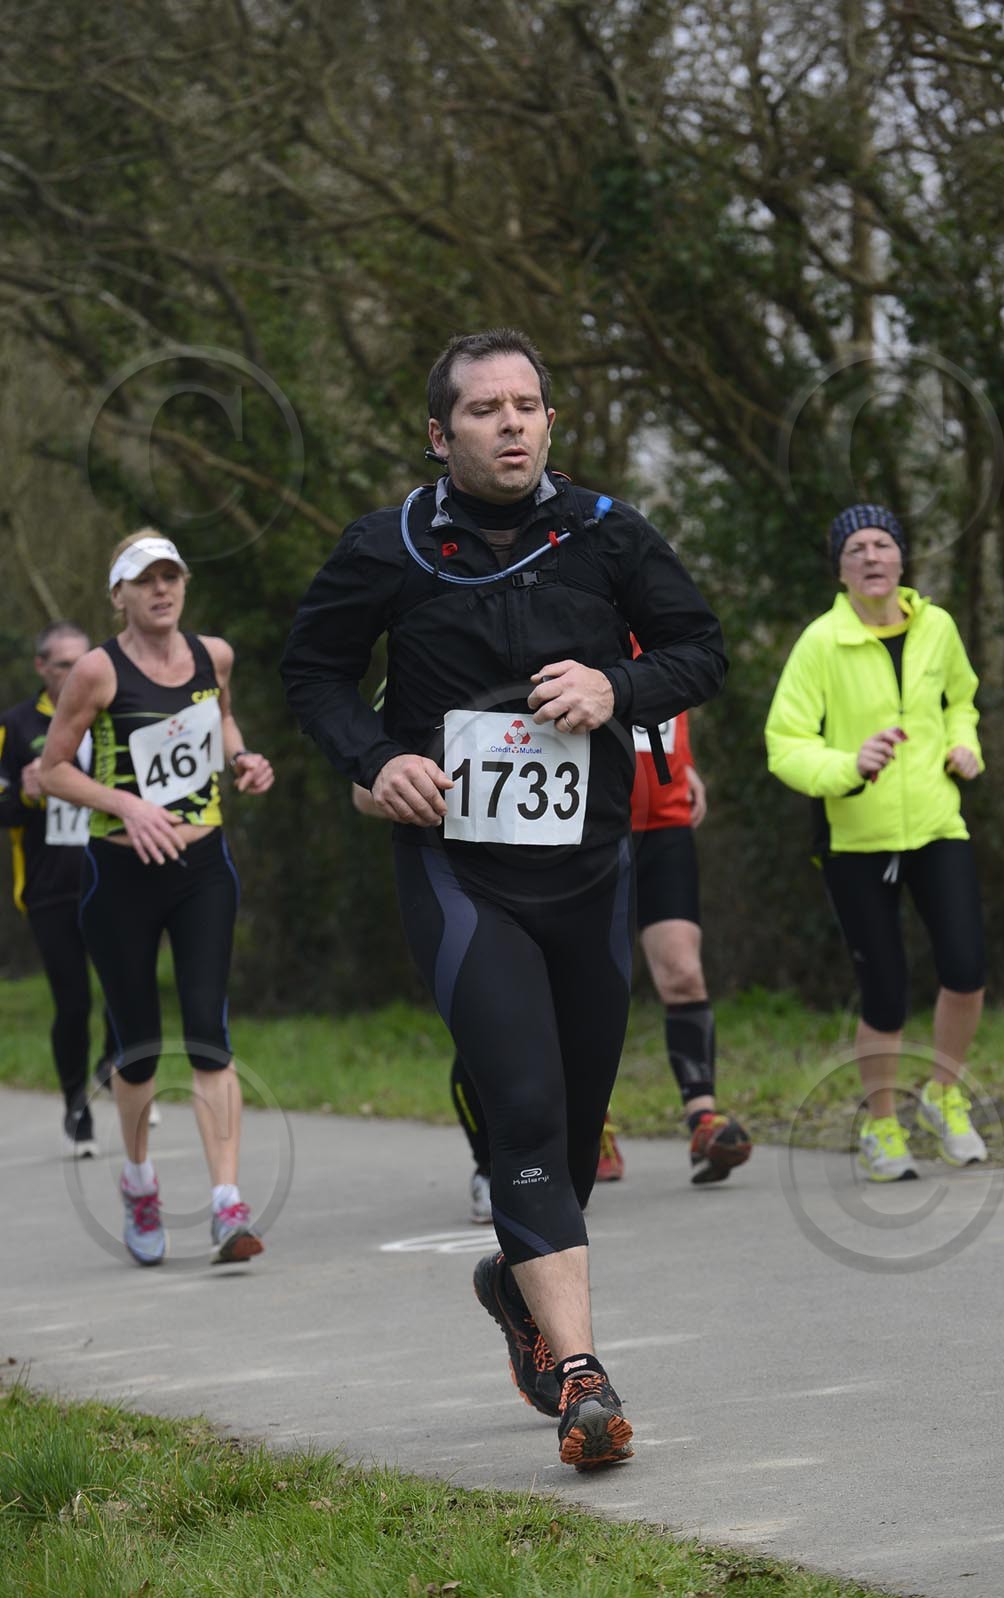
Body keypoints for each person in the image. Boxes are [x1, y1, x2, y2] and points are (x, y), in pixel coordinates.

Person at [284, 328, 727, 1471]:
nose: (513, 423)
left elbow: (700, 650)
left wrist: (617, 684)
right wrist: (377, 758)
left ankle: (516, 1282)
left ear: (549, 421)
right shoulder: (386, 546)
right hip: (460, 871)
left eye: (528, 404)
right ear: (441, 435)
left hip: (591, 869)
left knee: (572, 1134)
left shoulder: (607, 532)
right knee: (522, 1104)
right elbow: (314, 671)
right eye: (486, 409)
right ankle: (584, 1378)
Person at [39, 531, 275, 1264]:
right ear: (119, 595)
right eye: (145, 580)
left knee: (208, 1030)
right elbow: (52, 770)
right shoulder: (95, 671)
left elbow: (222, 717)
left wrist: (242, 756)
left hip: (203, 868)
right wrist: (127, 805)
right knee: (136, 1047)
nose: (162, 590)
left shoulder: (214, 655)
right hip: (120, 877)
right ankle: (139, 1182)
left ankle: (227, 1204)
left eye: (171, 576)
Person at [447, 700, 751, 1215]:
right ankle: (581, 1127)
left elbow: (671, 687)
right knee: (566, 985)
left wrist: (685, 763)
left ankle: (703, 1117)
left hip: (663, 819)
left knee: (682, 969)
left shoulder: (666, 642)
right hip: (582, 820)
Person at [764, 504, 988, 1182]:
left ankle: (943, 1094)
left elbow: (962, 701)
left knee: (967, 971)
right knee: (885, 992)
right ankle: (882, 1123)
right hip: (855, 839)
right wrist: (848, 766)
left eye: (882, 544)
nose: (871, 556)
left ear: (900, 559)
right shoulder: (820, 643)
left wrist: (965, 745)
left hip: (938, 825)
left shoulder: (938, 627)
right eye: (855, 548)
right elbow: (785, 743)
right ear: (840, 569)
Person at [0, 622, 116, 1156]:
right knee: (73, 1003)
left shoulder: (108, 711)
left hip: (114, 874)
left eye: (81, 661)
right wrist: (25, 795)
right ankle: (75, 1104)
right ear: (41, 667)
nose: (74, 672)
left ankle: (112, 1065)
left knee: (125, 988)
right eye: (63, 664)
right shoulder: (15, 725)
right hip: (50, 888)